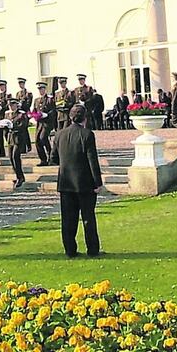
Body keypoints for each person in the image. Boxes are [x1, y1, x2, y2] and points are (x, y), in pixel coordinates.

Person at [52, 104, 103, 258]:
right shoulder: (87, 134)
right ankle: (92, 250)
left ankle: (70, 250)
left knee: (68, 219)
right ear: (85, 118)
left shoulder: (59, 135)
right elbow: (92, 160)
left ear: (70, 117)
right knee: (88, 218)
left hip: (66, 182)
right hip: (84, 183)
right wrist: (98, 182)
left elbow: (53, 158)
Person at [5, 99, 29, 188]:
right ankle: (18, 175)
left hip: (18, 137)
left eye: (13, 105)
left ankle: (20, 177)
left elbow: (24, 125)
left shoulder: (21, 114)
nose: (11, 107)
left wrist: (13, 126)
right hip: (10, 137)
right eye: (10, 105)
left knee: (15, 156)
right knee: (11, 157)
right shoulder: (7, 114)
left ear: (16, 105)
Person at [32, 82, 56, 165]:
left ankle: (51, 156)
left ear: (45, 89)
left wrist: (47, 115)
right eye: (39, 89)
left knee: (43, 138)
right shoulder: (36, 100)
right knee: (37, 141)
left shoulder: (49, 99)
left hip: (47, 123)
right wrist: (34, 116)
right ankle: (43, 159)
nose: (40, 91)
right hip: (39, 123)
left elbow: (53, 111)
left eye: (42, 89)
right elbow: (34, 110)